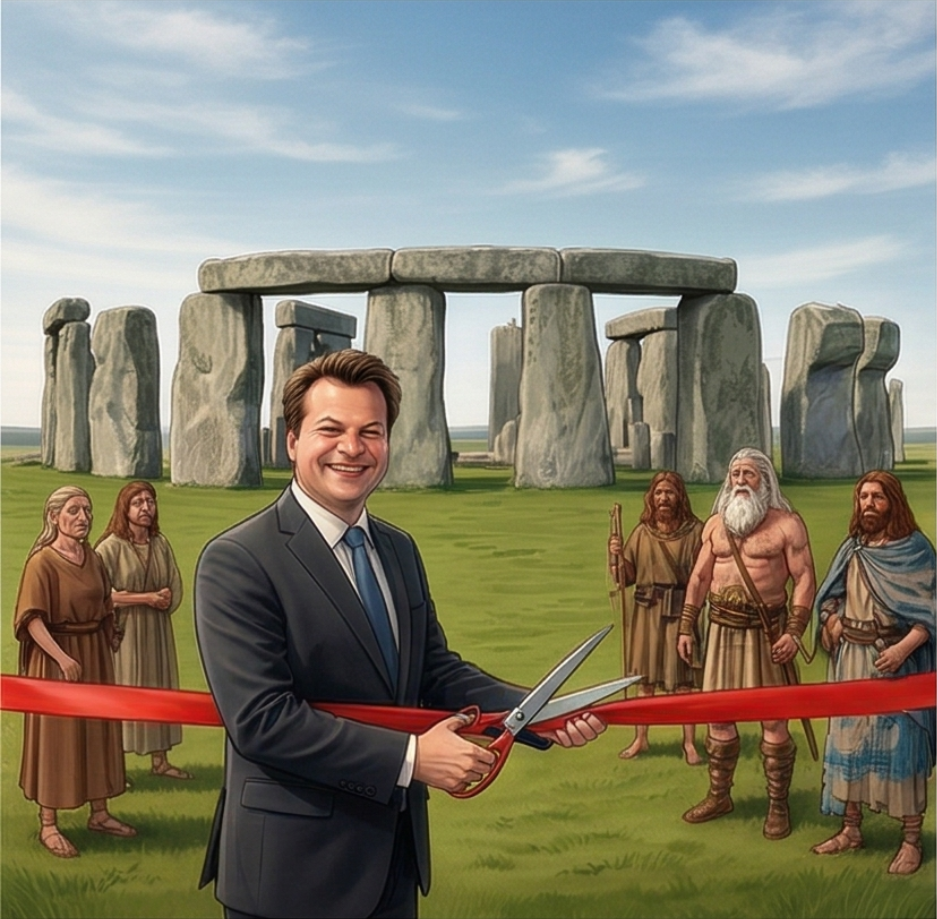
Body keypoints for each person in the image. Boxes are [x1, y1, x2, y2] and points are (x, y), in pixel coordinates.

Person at [194, 349, 606, 919]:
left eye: (372, 431)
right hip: (291, 873)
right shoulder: (237, 560)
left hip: (393, 862)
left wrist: (540, 712)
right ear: (292, 441)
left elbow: (435, 672)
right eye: (331, 429)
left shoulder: (398, 549)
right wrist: (411, 759)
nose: (352, 448)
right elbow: (262, 720)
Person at [676, 447, 816, 840]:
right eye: (735, 473)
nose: (740, 480)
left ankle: (777, 806)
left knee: (773, 719)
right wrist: (687, 625)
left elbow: (804, 579)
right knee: (719, 715)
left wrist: (793, 632)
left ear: (765, 481)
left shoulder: (787, 525)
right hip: (721, 631)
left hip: (766, 634)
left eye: (749, 474)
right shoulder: (716, 526)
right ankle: (720, 796)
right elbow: (700, 579)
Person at [811, 471, 935, 875]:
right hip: (851, 660)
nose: (868, 504)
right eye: (863, 496)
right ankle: (851, 828)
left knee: (901, 748)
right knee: (849, 743)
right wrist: (830, 621)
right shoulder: (853, 548)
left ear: (892, 502)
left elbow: (931, 613)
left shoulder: (915, 550)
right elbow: (830, 597)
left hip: (895, 665)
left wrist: (902, 649)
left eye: (877, 497)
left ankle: (911, 840)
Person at [14, 485, 136, 859]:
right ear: (54, 517)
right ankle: (48, 824)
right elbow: (31, 618)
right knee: (58, 737)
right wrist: (62, 657)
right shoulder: (42, 562)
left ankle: (99, 813)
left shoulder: (93, 558)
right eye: (73, 511)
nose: (83, 518)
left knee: (96, 730)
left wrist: (109, 631)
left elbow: (103, 599)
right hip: (56, 660)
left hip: (94, 655)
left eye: (87, 510)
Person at [95, 481, 191, 780]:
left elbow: (174, 583)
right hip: (125, 634)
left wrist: (166, 599)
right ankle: (115, 767)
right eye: (138, 502)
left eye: (150, 501)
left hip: (157, 633)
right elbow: (101, 595)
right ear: (125, 508)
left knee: (159, 690)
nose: (146, 508)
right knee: (125, 691)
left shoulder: (160, 543)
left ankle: (160, 760)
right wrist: (145, 598)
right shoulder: (110, 547)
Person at [608, 471, 704, 764]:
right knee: (645, 681)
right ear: (652, 497)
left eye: (670, 493)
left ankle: (689, 743)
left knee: (685, 682)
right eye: (659, 493)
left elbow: (703, 576)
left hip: (679, 613)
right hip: (647, 613)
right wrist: (614, 557)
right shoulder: (641, 532)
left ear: (679, 497)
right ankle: (640, 739)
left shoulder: (695, 532)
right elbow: (626, 578)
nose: (664, 498)